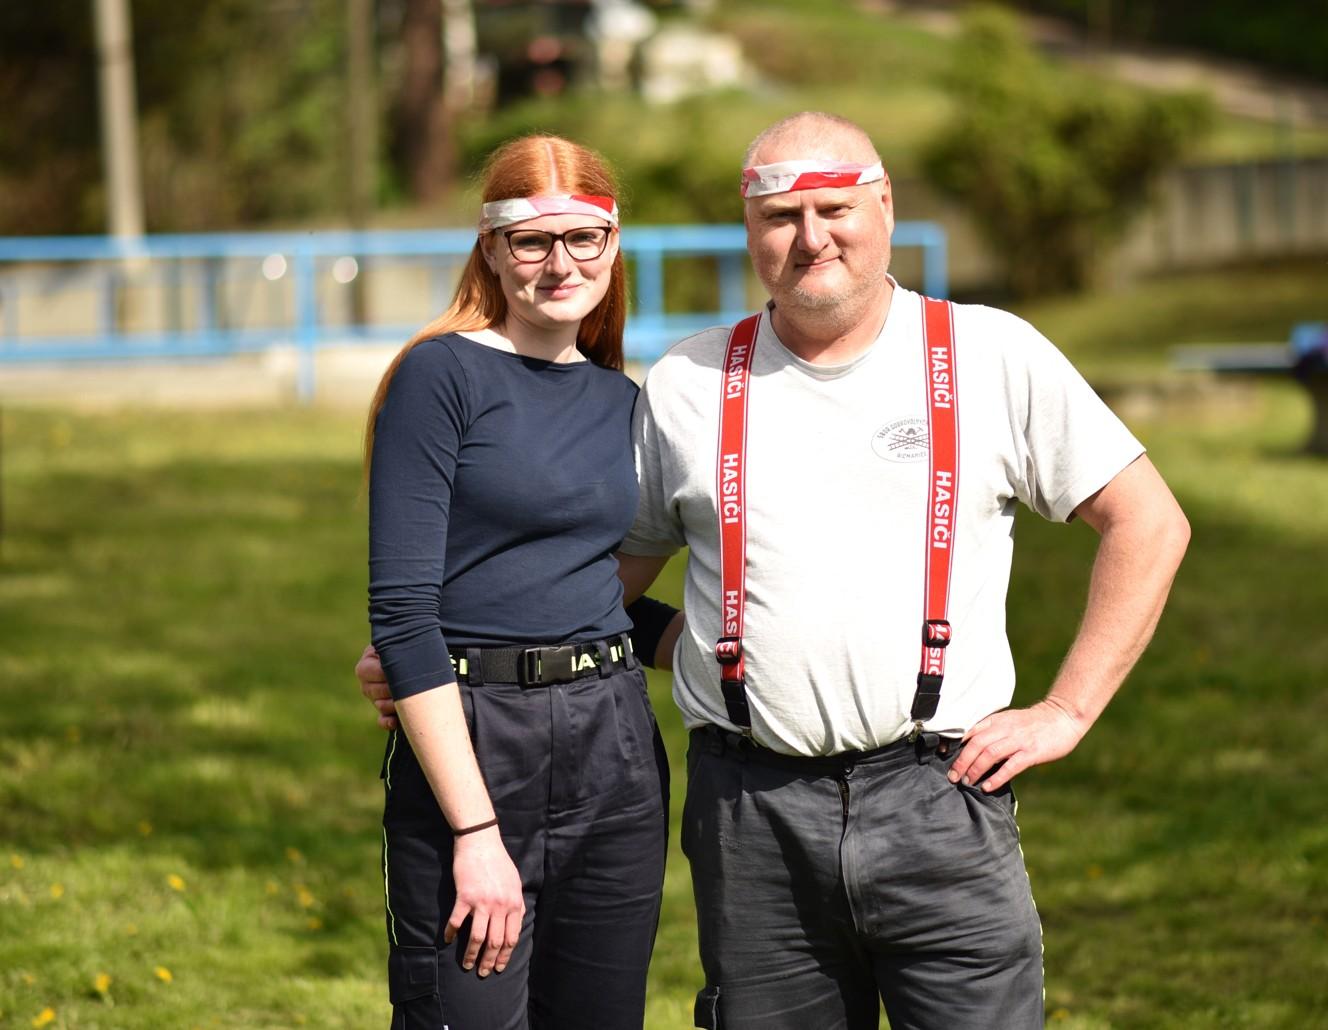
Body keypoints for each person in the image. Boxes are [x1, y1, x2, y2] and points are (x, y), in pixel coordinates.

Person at [361, 111, 1189, 1029]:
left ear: (884, 206)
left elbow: (1149, 521)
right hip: (749, 814)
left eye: (834, 208)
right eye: (781, 216)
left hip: (940, 797)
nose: (811, 237)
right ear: (749, 229)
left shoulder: (991, 354)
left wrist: (1067, 709)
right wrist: (436, 648)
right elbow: (594, 583)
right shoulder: (686, 384)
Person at [365, 133, 671, 1030]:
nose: (560, 263)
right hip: (477, 743)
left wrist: (718, 643)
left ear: (613, 246)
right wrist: (474, 832)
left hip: (614, 747)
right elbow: (403, 612)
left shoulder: (623, 401)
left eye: (584, 237)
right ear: (493, 250)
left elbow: (582, 588)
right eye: (532, 241)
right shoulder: (441, 375)